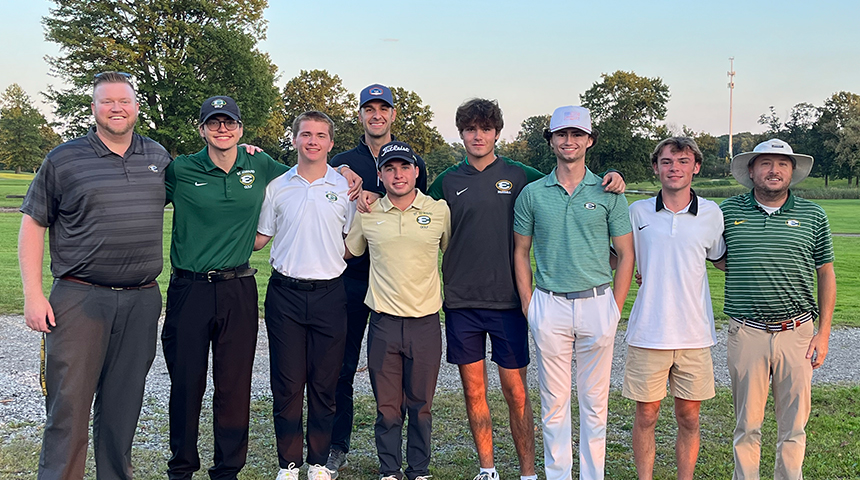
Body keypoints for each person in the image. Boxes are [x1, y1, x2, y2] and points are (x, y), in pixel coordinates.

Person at [427, 98, 625, 480]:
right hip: (461, 301)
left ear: (497, 133)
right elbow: (406, 196)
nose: (478, 136)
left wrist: (611, 174)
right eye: (471, 129)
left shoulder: (523, 176)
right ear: (461, 133)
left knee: (517, 393)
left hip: (509, 303)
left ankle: (530, 473)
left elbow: (569, 173)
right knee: (473, 392)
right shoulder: (446, 180)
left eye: (486, 128)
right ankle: (487, 469)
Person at [18, 71, 171, 479]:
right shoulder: (63, 159)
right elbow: (33, 224)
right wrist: (33, 296)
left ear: (137, 107)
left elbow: (206, 180)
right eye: (107, 101)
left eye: (124, 100)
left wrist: (246, 153)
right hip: (79, 299)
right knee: (69, 408)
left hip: (141, 299)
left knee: (123, 408)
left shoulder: (158, 157)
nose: (116, 108)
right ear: (94, 109)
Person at [160, 96, 289, 480]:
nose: (222, 129)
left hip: (238, 288)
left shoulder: (260, 163)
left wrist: (346, 170)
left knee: (233, 387)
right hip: (190, 289)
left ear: (241, 129)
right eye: (213, 123)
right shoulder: (181, 169)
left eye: (229, 122)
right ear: (201, 129)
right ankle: (182, 469)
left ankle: (228, 470)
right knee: (186, 384)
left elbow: (308, 175)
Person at [513, 105, 634, 480]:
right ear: (551, 141)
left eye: (577, 134)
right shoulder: (532, 194)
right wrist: (529, 304)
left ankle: (593, 475)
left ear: (589, 141)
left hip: (598, 303)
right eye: (562, 135)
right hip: (549, 304)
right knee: (554, 403)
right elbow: (520, 251)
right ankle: (559, 475)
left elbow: (626, 253)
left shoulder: (608, 191)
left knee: (595, 403)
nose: (570, 141)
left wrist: (614, 306)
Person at [326, 84, 428, 477]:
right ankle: (338, 445)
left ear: (393, 114)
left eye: (382, 108)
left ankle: (404, 456)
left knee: (401, 374)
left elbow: (425, 207)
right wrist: (341, 171)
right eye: (369, 108)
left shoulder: (407, 158)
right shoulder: (342, 160)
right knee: (342, 365)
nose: (376, 115)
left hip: (397, 280)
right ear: (361, 115)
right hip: (352, 275)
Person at [720, 139, 836, 480]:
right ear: (751, 170)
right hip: (746, 332)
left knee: (794, 425)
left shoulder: (813, 214)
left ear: (792, 171)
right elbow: (709, 254)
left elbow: (826, 273)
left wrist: (823, 333)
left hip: (797, 333)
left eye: (782, 164)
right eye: (766, 163)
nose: (775, 170)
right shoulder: (728, 212)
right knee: (747, 425)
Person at [255, 111, 357, 480]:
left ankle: (317, 462)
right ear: (294, 139)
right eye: (305, 134)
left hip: (330, 294)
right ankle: (289, 463)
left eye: (320, 135)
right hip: (286, 295)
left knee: (324, 382)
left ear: (331, 143)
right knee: (287, 382)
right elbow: (261, 237)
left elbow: (350, 245)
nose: (312, 141)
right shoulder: (277, 186)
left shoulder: (345, 188)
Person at [344, 140, 450, 480]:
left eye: (405, 167)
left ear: (416, 172)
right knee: (387, 408)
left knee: (420, 406)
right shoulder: (369, 212)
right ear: (380, 175)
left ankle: (418, 470)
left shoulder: (438, 211)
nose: (398, 174)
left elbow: (452, 251)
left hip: (425, 324)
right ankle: (389, 470)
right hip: (384, 324)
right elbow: (346, 253)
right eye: (390, 168)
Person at [623, 137, 725, 480]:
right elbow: (622, 258)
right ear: (656, 168)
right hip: (648, 331)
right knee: (647, 416)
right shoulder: (637, 211)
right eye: (667, 162)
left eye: (683, 161)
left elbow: (722, 259)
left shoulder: (711, 213)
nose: (674, 168)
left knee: (689, 417)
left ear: (696, 167)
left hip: (694, 333)